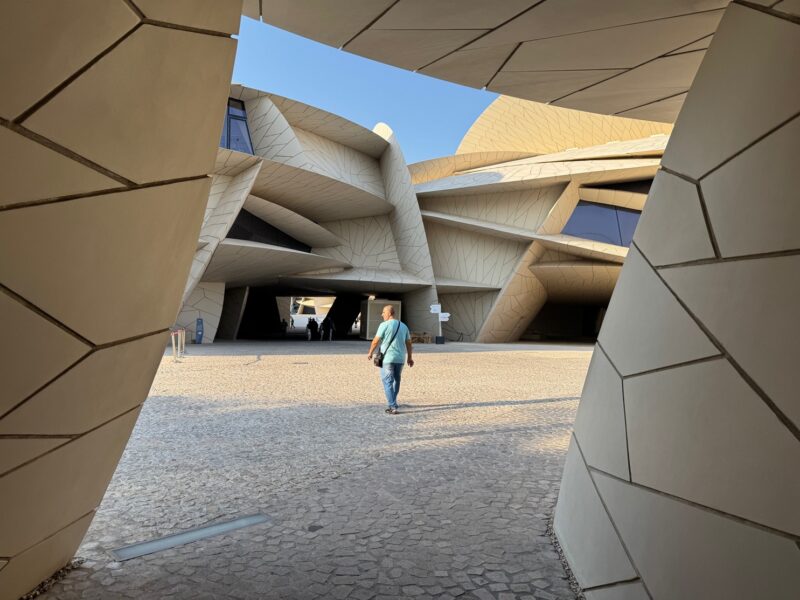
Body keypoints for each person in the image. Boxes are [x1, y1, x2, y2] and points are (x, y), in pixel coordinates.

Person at [367, 305, 413, 415]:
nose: (382, 314)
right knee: (396, 380)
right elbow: (409, 343)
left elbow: (375, 341)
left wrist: (370, 352)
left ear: (389, 313)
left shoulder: (384, 325)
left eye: (383, 312)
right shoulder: (404, 326)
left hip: (387, 358)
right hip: (400, 358)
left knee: (387, 382)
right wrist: (410, 358)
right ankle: (394, 402)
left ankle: (392, 406)